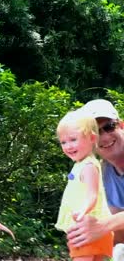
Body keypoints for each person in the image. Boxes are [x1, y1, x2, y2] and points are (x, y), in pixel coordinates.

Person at [55, 109, 113, 260]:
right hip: (94, 227)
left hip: (86, 227)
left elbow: (92, 195)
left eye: (73, 139)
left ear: (92, 138)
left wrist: (81, 212)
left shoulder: (88, 166)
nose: (68, 146)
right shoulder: (82, 164)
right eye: (63, 142)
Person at [67, 99, 124, 247]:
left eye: (110, 127)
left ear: (122, 126)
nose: (104, 137)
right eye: (96, 132)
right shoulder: (101, 174)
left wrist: (105, 225)